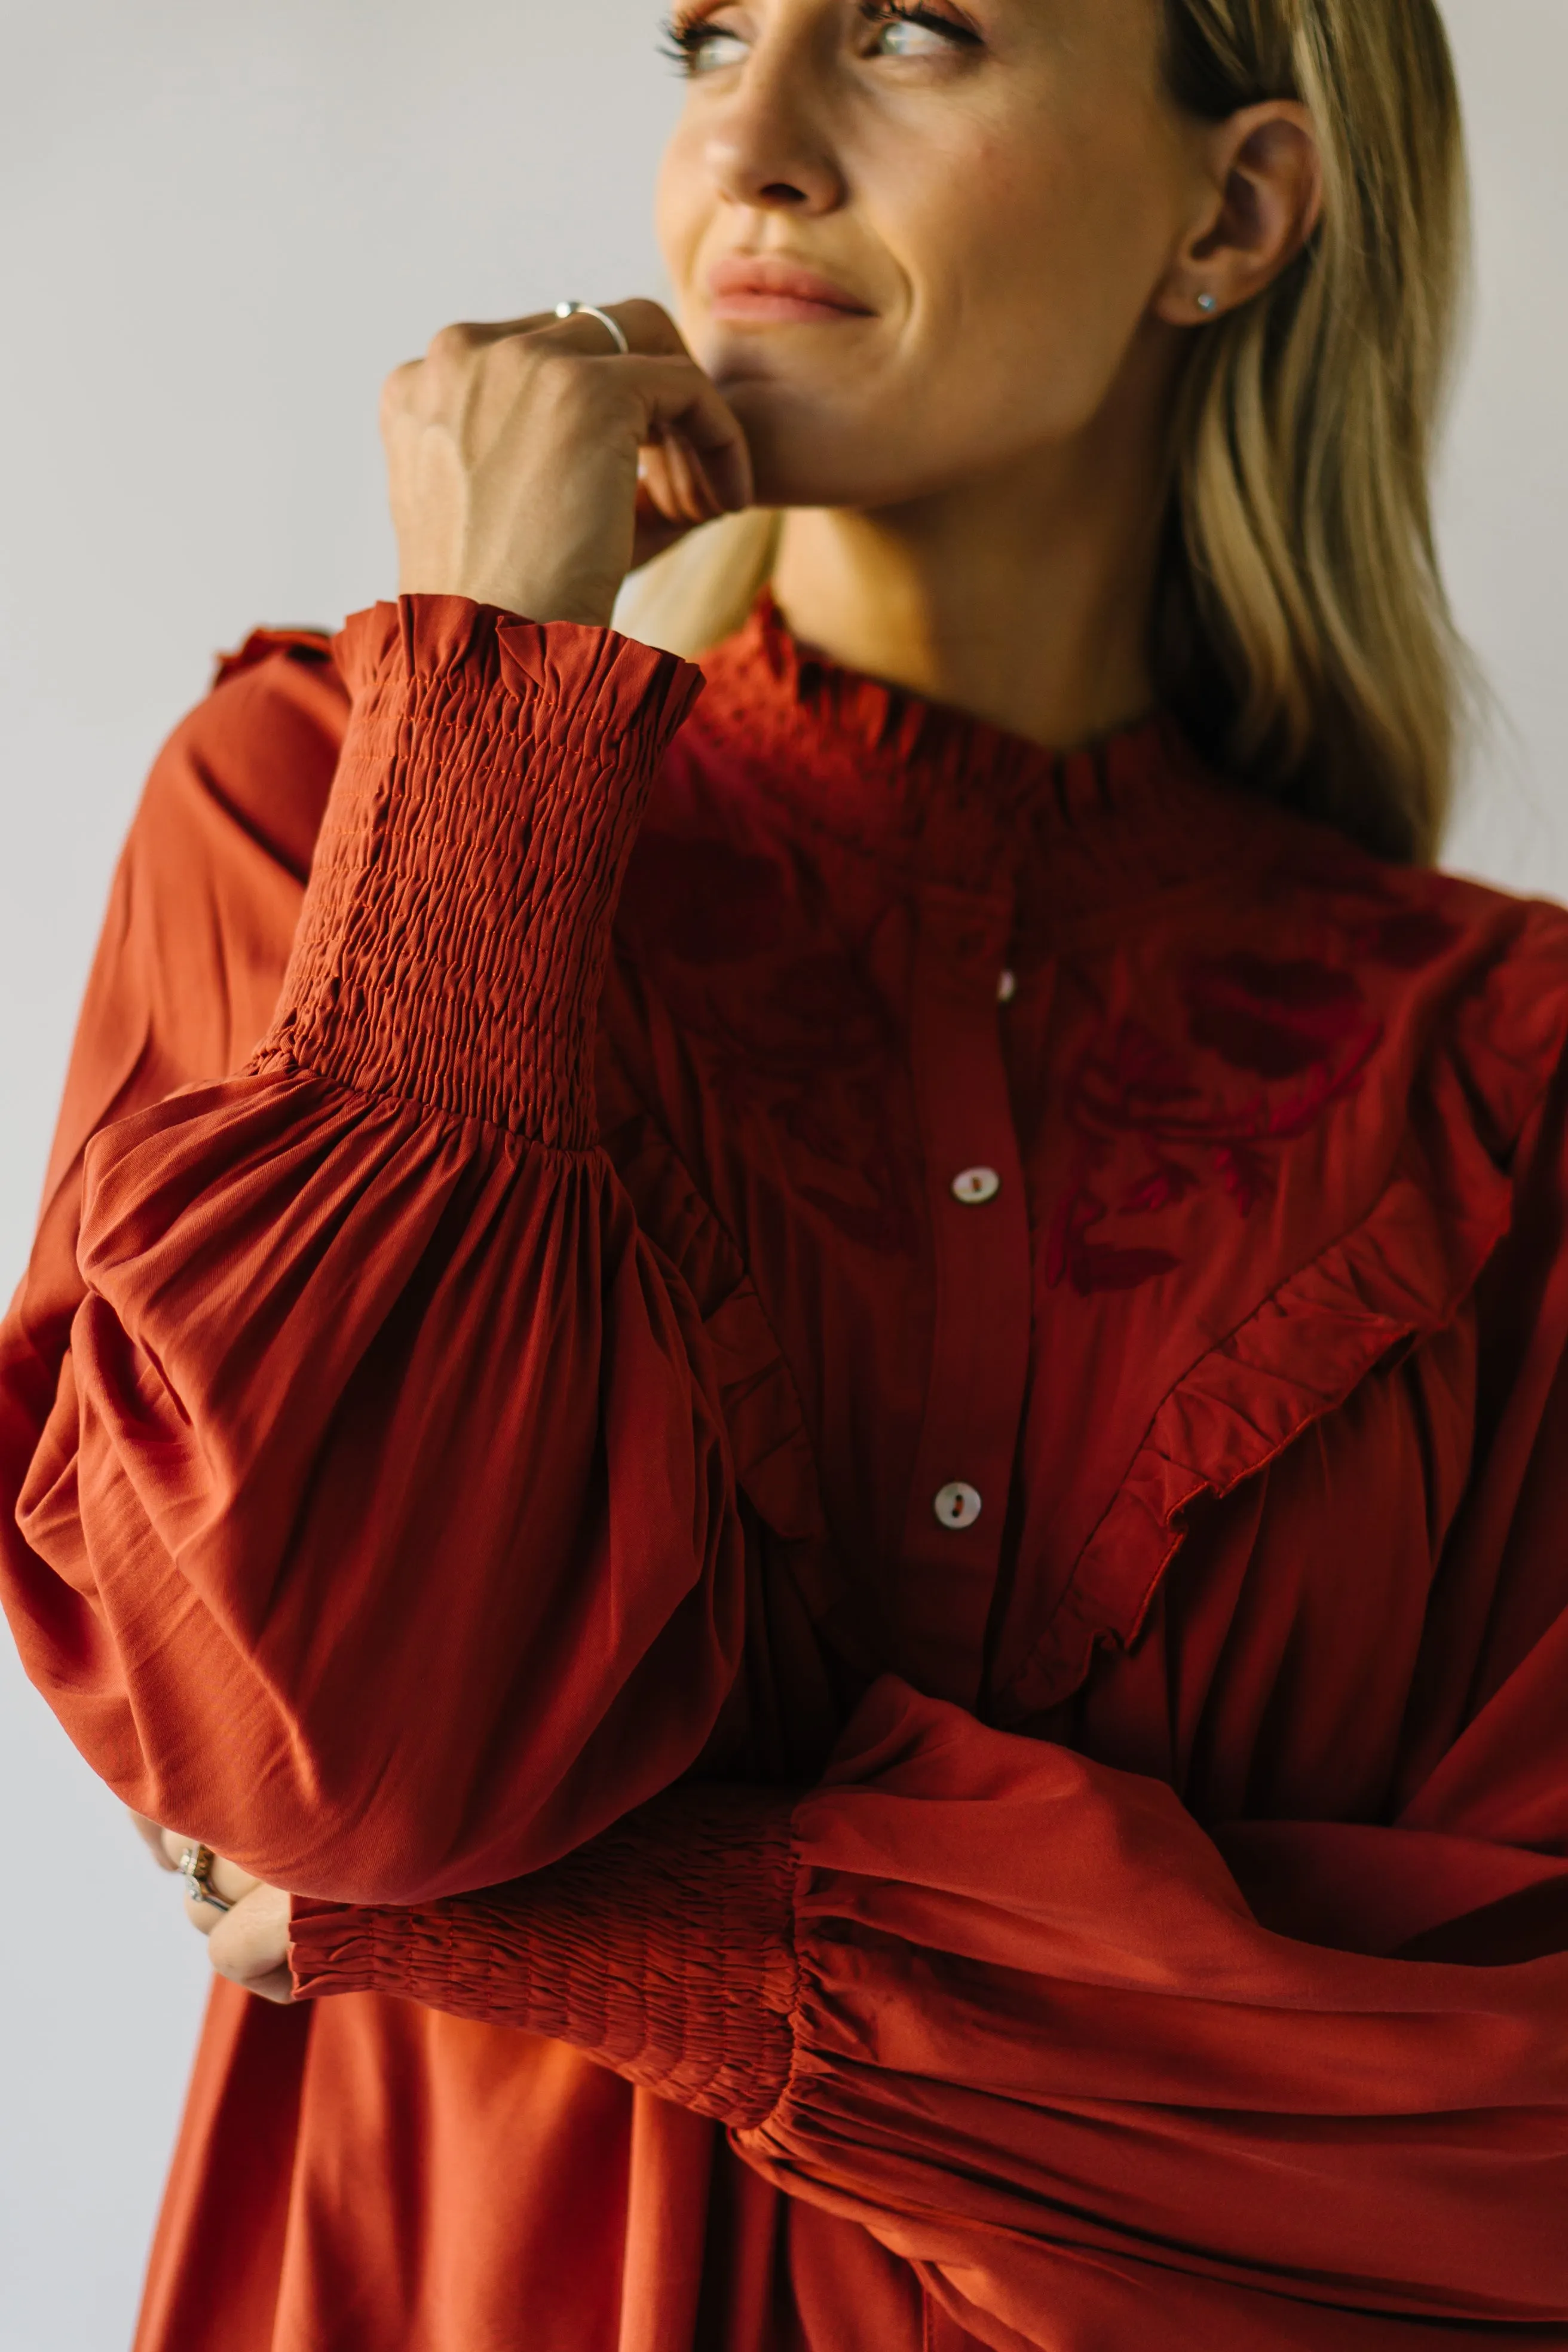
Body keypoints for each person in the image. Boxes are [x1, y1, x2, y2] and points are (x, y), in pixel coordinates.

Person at [3, 0, 1566, 2344]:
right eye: (708, 38)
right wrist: (495, 688)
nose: (747, 143)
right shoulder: (326, 807)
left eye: (910, 34)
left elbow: (1513, 2144)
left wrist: (596, 1930)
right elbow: (310, 1732)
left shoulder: (1509, 1084)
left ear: (1230, 208)